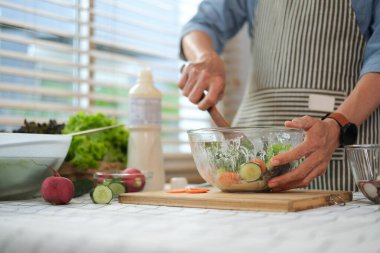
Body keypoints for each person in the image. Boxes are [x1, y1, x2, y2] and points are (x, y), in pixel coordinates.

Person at [178, 0, 380, 191]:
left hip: (339, 141)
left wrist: (337, 125)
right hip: (251, 137)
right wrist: (204, 56)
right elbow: (200, 25)